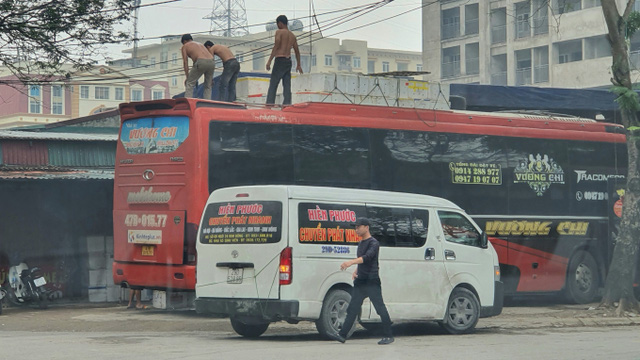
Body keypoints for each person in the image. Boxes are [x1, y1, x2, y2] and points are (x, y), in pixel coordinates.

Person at [328, 218, 394, 345]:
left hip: (372, 281)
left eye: (358, 227)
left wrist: (351, 262)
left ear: (366, 227)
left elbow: (367, 257)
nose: (356, 229)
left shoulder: (373, 243)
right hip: (361, 281)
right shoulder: (361, 243)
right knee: (352, 308)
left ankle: (388, 335)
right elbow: (362, 260)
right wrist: (356, 270)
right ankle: (342, 335)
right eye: (355, 227)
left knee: (380, 308)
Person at [265, 15, 303, 105]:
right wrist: (298, 65)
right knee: (286, 85)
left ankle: (269, 104)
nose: (278, 26)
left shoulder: (279, 32)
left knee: (273, 83)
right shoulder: (292, 35)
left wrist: (269, 60)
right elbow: (297, 52)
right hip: (288, 61)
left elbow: (276, 45)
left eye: (278, 24)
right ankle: (287, 104)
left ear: (280, 23)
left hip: (280, 60)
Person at [181, 34, 215, 99]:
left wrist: (187, 77)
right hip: (211, 61)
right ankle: (207, 103)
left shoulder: (185, 46)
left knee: (189, 83)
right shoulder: (200, 44)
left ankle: (188, 101)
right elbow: (196, 63)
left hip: (200, 61)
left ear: (184, 41)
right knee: (208, 85)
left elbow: (185, 62)